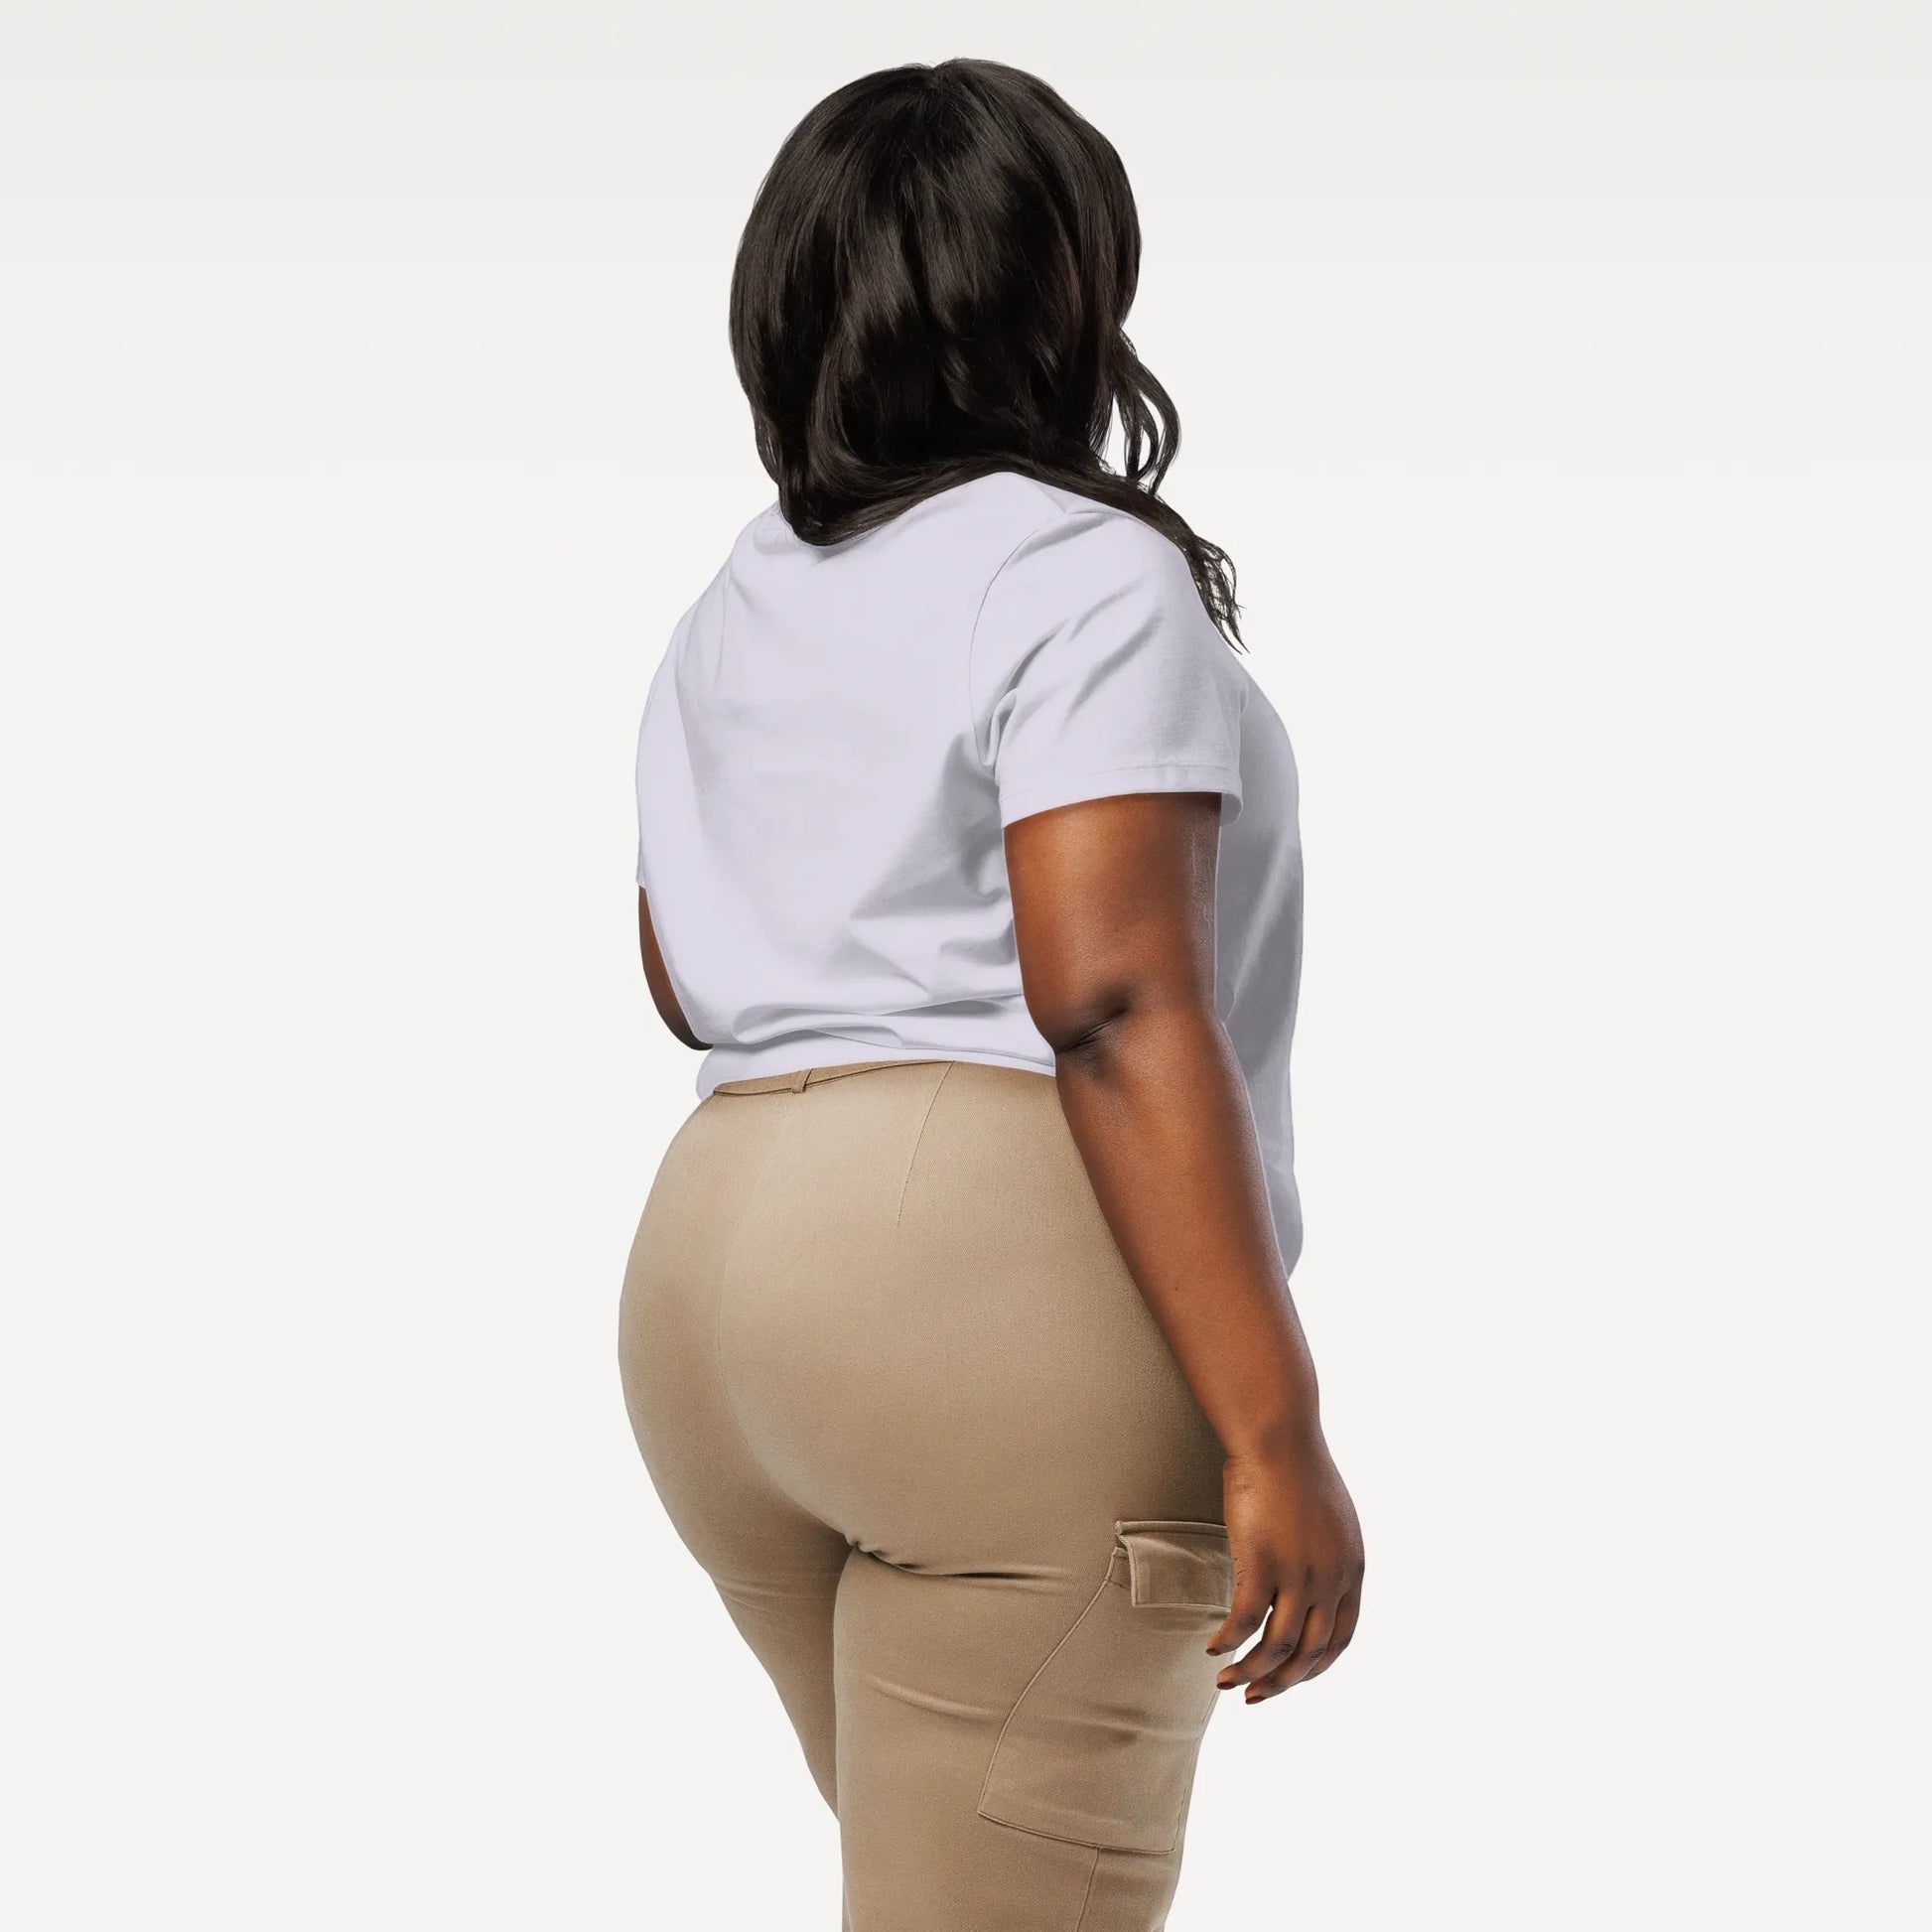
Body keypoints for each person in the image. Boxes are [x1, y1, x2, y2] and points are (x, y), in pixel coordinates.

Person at [619, 58, 1364, 1932]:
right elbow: (1108, 997)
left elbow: (680, 971)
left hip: (710, 1287)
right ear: (1067, 290)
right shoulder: (1082, 572)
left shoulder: (737, 598)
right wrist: (1273, 1425)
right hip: (981, 1297)